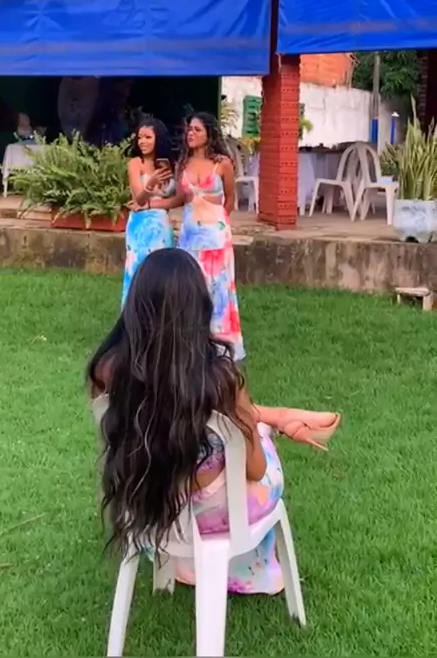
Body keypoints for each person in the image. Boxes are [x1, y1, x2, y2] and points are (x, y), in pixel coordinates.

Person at [88, 248, 340, 595]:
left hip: (143, 501)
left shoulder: (106, 371)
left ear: (135, 306)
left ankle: (278, 417)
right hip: (211, 516)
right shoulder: (220, 378)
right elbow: (255, 470)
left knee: (241, 432)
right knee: (256, 452)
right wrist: (259, 433)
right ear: (198, 308)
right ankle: (248, 572)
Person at [177, 112, 244, 360]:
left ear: (209, 134)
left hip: (215, 238)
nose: (191, 133)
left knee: (219, 290)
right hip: (188, 237)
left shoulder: (222, 163)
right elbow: (180, 199)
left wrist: (217, 223)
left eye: (197, 129)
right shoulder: (183, 163)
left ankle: (220, 345)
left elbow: (230, 200)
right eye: (189, 129)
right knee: (190, 288)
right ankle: (190, 343)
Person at [122, 118, 179, 306]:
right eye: (140, 137)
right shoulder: (135, 163)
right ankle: (134, 314)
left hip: (161, 225)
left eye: (148, 137)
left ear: (158, 139)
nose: (142, 142)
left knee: (161, 273)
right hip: (141, 226)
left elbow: (178, 199)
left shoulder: (170, 165)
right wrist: (152, 182)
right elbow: (138, 198)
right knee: (138, 269)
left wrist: (153, 204)